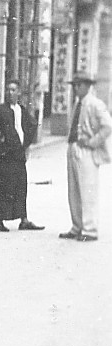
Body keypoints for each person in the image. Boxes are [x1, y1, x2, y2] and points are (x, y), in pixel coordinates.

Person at [60, 71, 112, 242]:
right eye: (74, 85)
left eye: (79, 85)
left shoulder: (95, 104)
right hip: (73, 147)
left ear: (88, 86)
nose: (76, 88)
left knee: (87, 190)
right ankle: (77, 227)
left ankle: (89, 229)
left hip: (87, 151)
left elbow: (107, 126)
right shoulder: (77, 104)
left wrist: (92, 142)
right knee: (74, 190)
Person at [0, 79, 44, 232]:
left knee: (21, 186)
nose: (10, 92)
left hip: (19, 154)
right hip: (5, 155)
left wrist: (26, 144)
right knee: (3, 187)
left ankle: (23, 219)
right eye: (8, 89)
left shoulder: (22, 110)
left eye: (13, 90)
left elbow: (32, 125)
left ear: (19, 92)